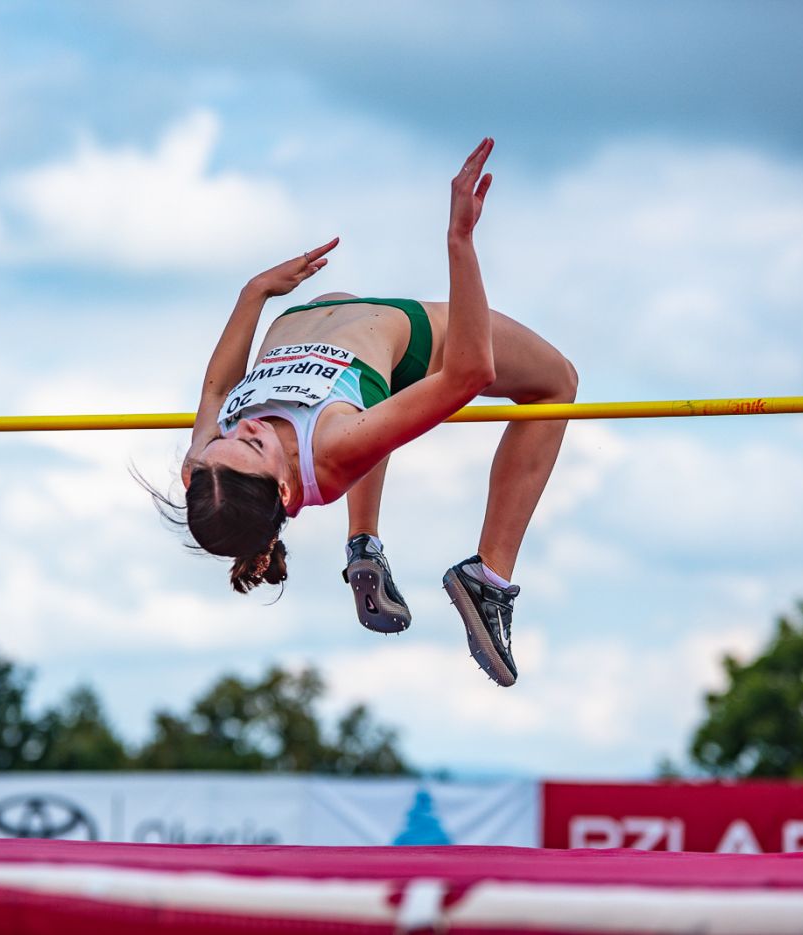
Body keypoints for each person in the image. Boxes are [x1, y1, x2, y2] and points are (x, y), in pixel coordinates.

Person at [148, 139, 577, 687]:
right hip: (407, 335)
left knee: (370, 416)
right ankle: (488, 577)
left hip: (328, 312)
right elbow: (470, 373)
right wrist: (461, 242)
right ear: (286, 490)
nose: (245, 426)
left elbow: (215, 394)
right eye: (254, 444)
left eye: (226, 439)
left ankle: (364, 543)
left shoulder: (207, 465)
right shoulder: (329, 448)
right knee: (557, 382)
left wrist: (255, 293)